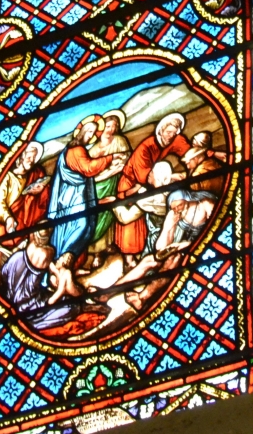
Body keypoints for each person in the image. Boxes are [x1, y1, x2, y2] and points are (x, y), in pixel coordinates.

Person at [47, 115, 125, 300]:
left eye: (92, 132)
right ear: (80, 133)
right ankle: (60, 265)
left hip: (77, 197)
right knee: (80, 226)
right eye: (88, 132)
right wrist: (110, 158)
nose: (90, 136)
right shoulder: (75, 150)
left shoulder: (79, 149)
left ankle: (68, 268)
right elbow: (88, 168)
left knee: (86, 227)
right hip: (71, 199)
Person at [114, 112, 192, 270]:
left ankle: (145, 254)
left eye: (174, 132)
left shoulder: (175, 139)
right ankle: (128, 260)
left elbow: (190, 153)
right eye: (168, 132)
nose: (171, 136)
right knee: (132, 225)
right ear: (161, 130)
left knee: (145, 223)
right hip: (131, 183)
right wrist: (169, 178)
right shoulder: (146, 147)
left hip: (154, 181)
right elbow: (148, 177)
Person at [0, 141, 49, 281]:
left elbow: (43, 201)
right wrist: (8, 218)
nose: (31, 160)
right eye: (29, 156)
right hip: (6, 236)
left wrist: (41, 190)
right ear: (21, 155)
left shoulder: (36, 174)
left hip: (25, 238)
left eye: (34, 157)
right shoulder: (7, 177)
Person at [87, 111, 131, 269]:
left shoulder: (120, 140)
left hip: (115, 182)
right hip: (98, 186)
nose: (111, 129)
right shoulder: (92, 150)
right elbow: (89, 173)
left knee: (110, 214)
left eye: (114, 126)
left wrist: (115, 169)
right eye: (108, 126)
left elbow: (126, 159)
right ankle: (95, 251)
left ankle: (107, 245)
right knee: (97, 216)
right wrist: (109, 170)